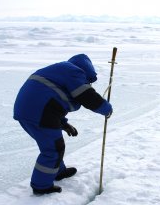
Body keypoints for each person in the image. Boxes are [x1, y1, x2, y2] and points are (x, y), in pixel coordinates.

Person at [14, 54, 113, 195]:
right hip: (40, 113)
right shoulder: (75, 72)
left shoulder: (61, 71)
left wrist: (64, 124)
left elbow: (51, 98)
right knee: (53, 149)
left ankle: (57, 172)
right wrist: (106, 109)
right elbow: (87, 96)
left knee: (53, 145)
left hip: (28, 111)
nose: (88, 83)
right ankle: (41, 186)